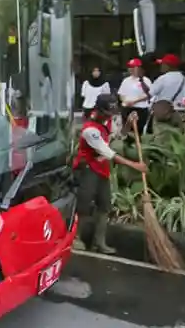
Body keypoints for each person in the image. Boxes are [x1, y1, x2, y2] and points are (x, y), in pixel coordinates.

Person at [72, 93, 148, 254]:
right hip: (88, 169)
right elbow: (108, 152)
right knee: (84, 206)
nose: (110, 117)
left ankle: (99, 242)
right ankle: (75, 238)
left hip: (102, 169)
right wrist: (135, 165)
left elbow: (118, 137)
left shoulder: (107, 123)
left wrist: (128, 124)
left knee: (104, 206)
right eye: (107, 113)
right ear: (98, 110)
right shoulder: (90, 130)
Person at [118, 58, 153, 135]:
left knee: (138, 130)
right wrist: (125, 101)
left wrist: (135, 101)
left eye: (133, 67)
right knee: (127, 131)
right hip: (127, 109)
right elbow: (121, 94)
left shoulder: (145, 80)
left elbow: (149, 94)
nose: (131, 69)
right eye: (130, 67)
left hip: (140, 109)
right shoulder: (126, 80)